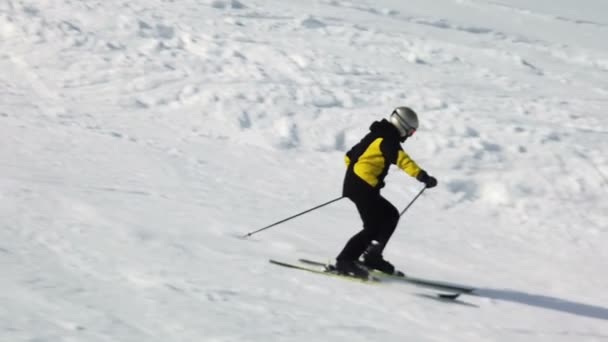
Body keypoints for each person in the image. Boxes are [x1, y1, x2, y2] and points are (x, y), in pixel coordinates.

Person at [335, 106, 437, 278]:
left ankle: (373, 256)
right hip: (362, 187)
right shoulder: (388, 140)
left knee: (390, 215)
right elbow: (402, 160)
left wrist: (356, 176)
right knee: (373, 227)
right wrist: (423, 177)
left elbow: (349, 156)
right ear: (402, 126)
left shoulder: (376, 135)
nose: (410, 136)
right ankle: (344, 261)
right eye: (411, 132)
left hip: (361, 186)